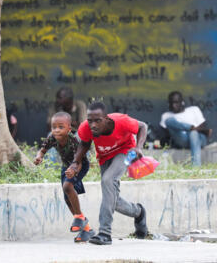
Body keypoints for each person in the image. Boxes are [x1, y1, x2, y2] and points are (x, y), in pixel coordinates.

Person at [66, 101, 148, 245]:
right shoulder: (86, 127)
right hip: (104, 157)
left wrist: (139, 147)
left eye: (97, 121)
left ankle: (105, 233)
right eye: (90, 121)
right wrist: (75, 162)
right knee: (111, 199)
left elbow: (143, 126)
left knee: (108, 180)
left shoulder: (121, 121)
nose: (93, 125)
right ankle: (138, 213)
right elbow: (84, 144)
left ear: (107, 119)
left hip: (126, 151)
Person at [34, 112, 94, 242]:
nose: (56, 130)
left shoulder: (73, 141)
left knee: (68, 186)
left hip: (80, 165)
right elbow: (43, 149)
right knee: (67, 199)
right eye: (54, 127)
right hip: (66, 166)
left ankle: (79, 217)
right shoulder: (51, 137)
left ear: (69, 128)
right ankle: (86, 230)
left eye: (60, 127)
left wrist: (74, 171)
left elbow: (78, 161)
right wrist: (39, 156)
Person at [160, 91, 212, 166]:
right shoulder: (166, 115)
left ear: (182, 102)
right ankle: (190, 128)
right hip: (182, 140)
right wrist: (190, 128)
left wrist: (192, 130)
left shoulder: (194, 110)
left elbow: (203, 127)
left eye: (176, 102)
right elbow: (167, 135)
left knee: (193, 133)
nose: (174, 105)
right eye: (171, 103)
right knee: (169, 120)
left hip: (198, 140)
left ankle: (196, 166)